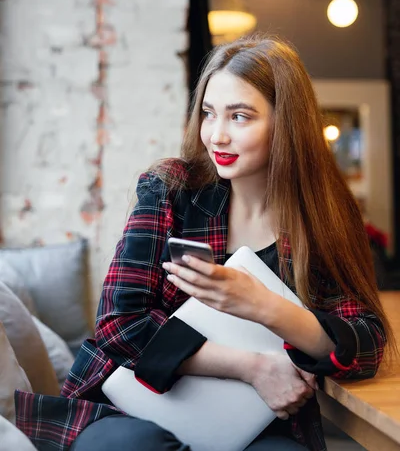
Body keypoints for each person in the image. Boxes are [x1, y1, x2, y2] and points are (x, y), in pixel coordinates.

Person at [15, 34, 395, 451]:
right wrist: (251, 367)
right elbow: (119, 326)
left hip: (246, 420)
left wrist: (265, 306)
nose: (216, 135)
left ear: (287, 123)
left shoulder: (323, 215)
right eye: (209, 114)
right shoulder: (170, 189)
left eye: (240, 117)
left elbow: (366, 343)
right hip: (130, 406)